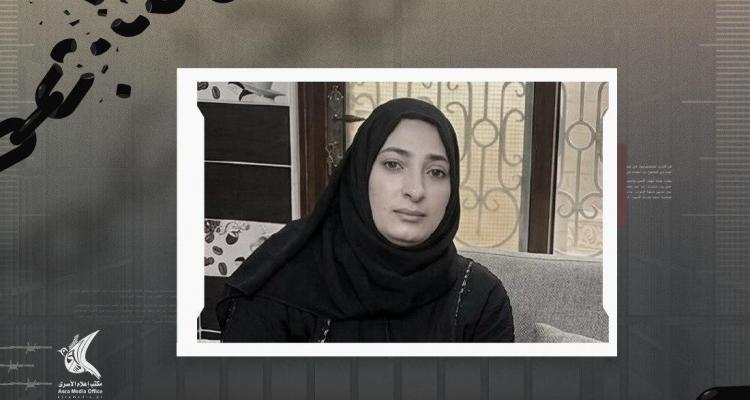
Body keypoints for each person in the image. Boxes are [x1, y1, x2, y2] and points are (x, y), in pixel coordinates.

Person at [216, 98, 514, 342]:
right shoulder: (277, 290)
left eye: (436, 172)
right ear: (359, 175)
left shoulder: (480, 298)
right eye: (393, 164)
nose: (415, 190)